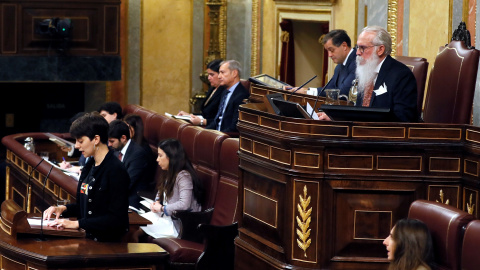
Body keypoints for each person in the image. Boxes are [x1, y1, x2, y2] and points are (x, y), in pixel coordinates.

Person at [43, 112, 130, 242]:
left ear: (96, 139)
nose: (77, 146)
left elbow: (117, 219)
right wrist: (62, 209)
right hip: (88, 237)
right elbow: (85, 207)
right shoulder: (89, 165)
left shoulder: (116, 170)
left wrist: (77, 224)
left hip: (107, 244)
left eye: (80, 141)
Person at [318, 26, 418, 122]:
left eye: (362, 48)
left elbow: (403, 118)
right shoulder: (365, 71)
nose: (357, 52)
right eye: (357, 47)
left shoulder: (401, 75)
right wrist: (335, 118)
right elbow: (359, 112)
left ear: (380, 50)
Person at [132, 139, 203, 241]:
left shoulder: (183, 176)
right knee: (133, 226)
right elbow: (161, 193)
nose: (157, 159)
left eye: (160, 156)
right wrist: (156, 202)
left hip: (176, 225)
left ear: (171, 157)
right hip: (164, 218)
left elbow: (184, 204)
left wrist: (162, 208)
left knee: (134, 228)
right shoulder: (168, 172)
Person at [286, 29, 357, 97]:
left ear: (344, 46)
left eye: (332, 50)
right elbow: (328, 89)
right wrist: (305, 90)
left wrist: (307, 92)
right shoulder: (339, 67)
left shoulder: (356, 63)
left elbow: (343, 92)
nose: (329, 55)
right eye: (327, 51)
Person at [108, 120, 154, 209]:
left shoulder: (138, 154)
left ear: (123, 138)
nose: (109, 144)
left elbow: (126, 183)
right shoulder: (117, 150)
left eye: (112, 141)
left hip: (132, 199)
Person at [205, 60, 250, 133]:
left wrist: (216, 137)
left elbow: (234, 127)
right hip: (217, 135)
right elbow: (217, 120)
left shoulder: (242, 95)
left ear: (234, 73)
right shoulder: (225, 92)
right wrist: (204, 132)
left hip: (226, 139)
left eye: (222, 72)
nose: (219, 76)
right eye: (219, 73)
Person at [178, 59, 225, 127]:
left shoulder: (224, 92)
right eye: (208, 74)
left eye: (212, 75)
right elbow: (205, 114)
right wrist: (189, 115)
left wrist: (202, 121)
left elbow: (220, 120)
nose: (209, 78)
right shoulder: (212, 89)